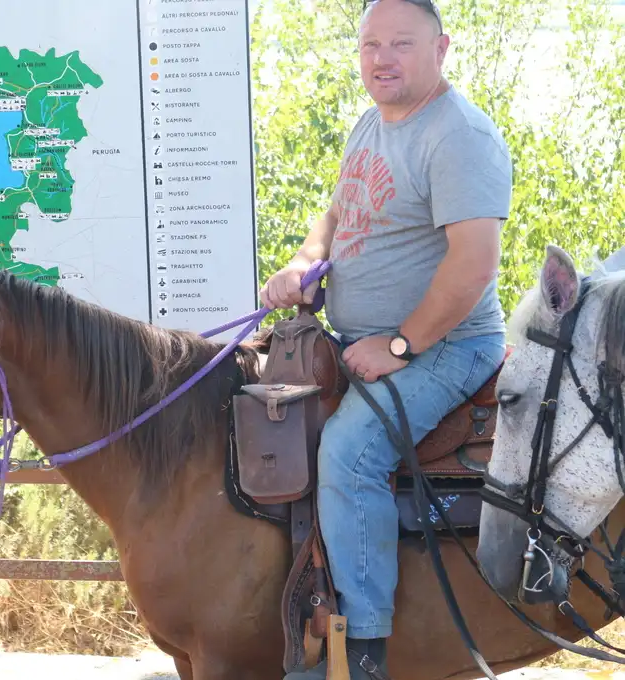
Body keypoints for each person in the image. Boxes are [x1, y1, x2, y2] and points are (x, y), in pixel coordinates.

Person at [259, 0, 511, 677]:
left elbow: (472, 267)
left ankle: (363, 650)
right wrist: (304, 265)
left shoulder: (459, 136)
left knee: (347, 451)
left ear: (442, 48)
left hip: (451, 346)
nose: (382, 58)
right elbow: (338, 216)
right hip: (360, 336)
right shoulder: (369, 125)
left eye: (401, 43)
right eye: (371, 45)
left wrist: (399, 346)